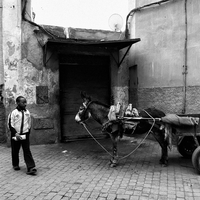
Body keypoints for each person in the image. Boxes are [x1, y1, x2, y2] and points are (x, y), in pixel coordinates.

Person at [8, 96, 37, 175]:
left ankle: (30, 167)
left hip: (25, 134)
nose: (25, 104)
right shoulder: (14, 113)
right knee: (15, 150)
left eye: (25, 102)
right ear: (18, 103)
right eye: (23, 102)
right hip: (15, 134)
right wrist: (15, 133)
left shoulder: (27, 112)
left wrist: (28, 132)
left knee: (27, 150)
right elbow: (11, 124)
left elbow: (29, 123)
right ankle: (15, 164)